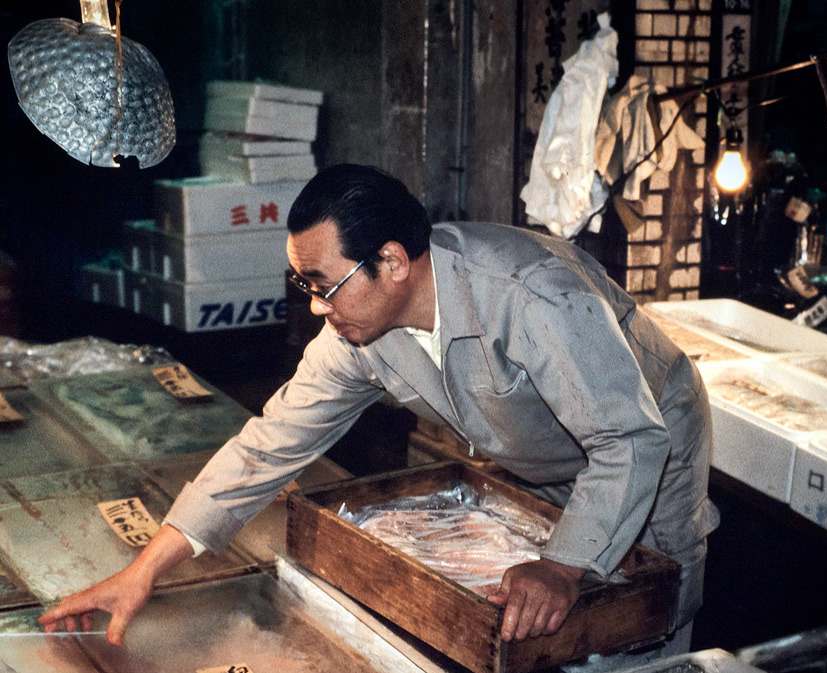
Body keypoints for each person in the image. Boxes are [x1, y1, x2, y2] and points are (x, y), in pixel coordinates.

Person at [40, 164, 717, 655]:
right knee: (544, 624)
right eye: (301, 284)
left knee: (637, 623)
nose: (314, 306)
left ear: (392, 261)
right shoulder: (357, 332)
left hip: (650, 439)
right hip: (544, 453)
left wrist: (565, 563)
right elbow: (269, 443)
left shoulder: (528, 292)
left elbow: (629, 438)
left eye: (322, 284)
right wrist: (146, 567)